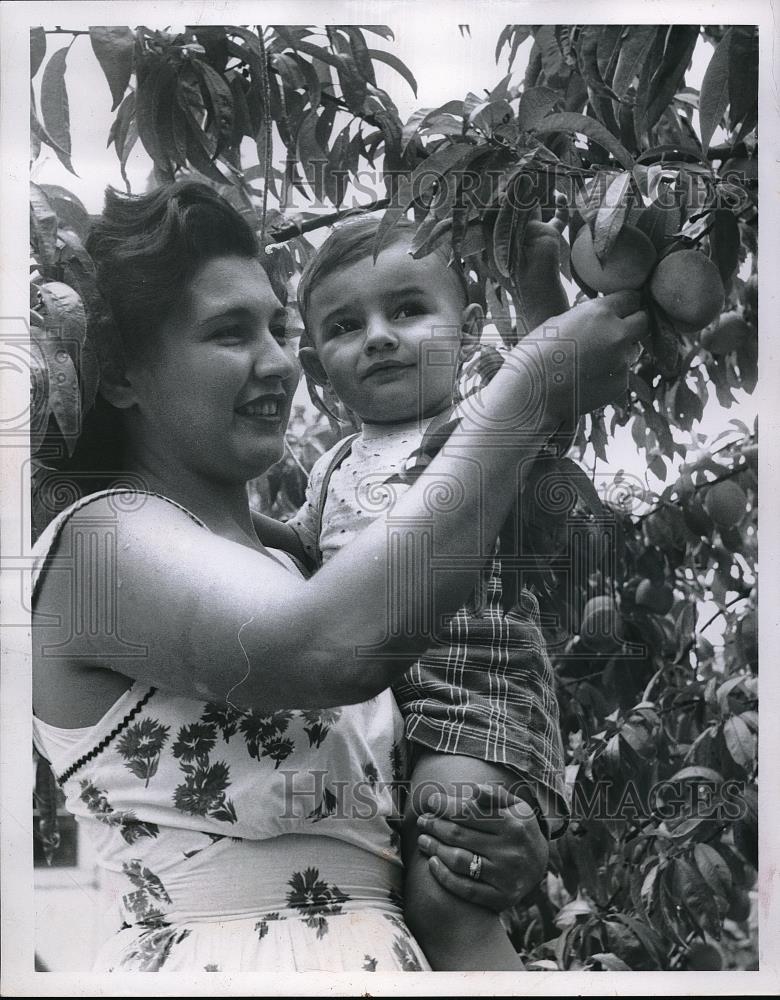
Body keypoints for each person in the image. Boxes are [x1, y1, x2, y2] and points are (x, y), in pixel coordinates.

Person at [31, 180, 646, 973]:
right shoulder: (98, 541)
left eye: (279, 329)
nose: (279, 363)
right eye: (228, 333)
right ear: (120, 376)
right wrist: (527, 384)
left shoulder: (298, 561)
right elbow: (330, 650)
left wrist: (494, 846)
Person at [263, 209, 569, 970]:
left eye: (407, 309)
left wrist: (537, 287)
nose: (378, 335)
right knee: (390, 880)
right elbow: (306, 548)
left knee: (448, 882)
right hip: (377, 707)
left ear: (467, 331)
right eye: (345, 324)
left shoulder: (478, 424)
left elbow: (555, 393)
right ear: (316, 364)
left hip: (475, 698)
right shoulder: (331, 464)